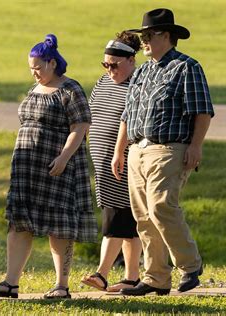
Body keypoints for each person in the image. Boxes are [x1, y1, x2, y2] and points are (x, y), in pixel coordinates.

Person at [0, 34, 97, 299]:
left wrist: (64, 157)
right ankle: (10, 283)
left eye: (38, 67)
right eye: (31, 68)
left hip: (56, 166)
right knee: (19, 223)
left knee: (59, 225)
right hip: (27, 168)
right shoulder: (34, 88)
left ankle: (61, 285)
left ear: (52, 63)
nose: (34, 73)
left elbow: (80, 127)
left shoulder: (71, 89)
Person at [112, 8, 214, 296]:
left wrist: (196, 146)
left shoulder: (186, 67)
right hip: (137, 150)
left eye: (149, 35)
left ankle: (190, 264)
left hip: (169, 148)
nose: (143, 40)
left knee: (161, 207)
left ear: (167, 36)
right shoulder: (142, 71)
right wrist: (120, 151)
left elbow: (202, 112)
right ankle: (156, 277)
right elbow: (127, 115)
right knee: (143, 216)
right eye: (142, 35)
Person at [81, 31, 142, 292]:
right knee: (128, 220)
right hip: (103, 163)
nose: (109, 70)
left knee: (116, 216)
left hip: (125, 162)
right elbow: (90, 114)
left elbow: (129, 120)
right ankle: (132, 277)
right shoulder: (104, 82)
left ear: (131, 60)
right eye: (105, 64)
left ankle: (102, 273)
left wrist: (118, 151)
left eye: (114, 65)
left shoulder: (138, 84)